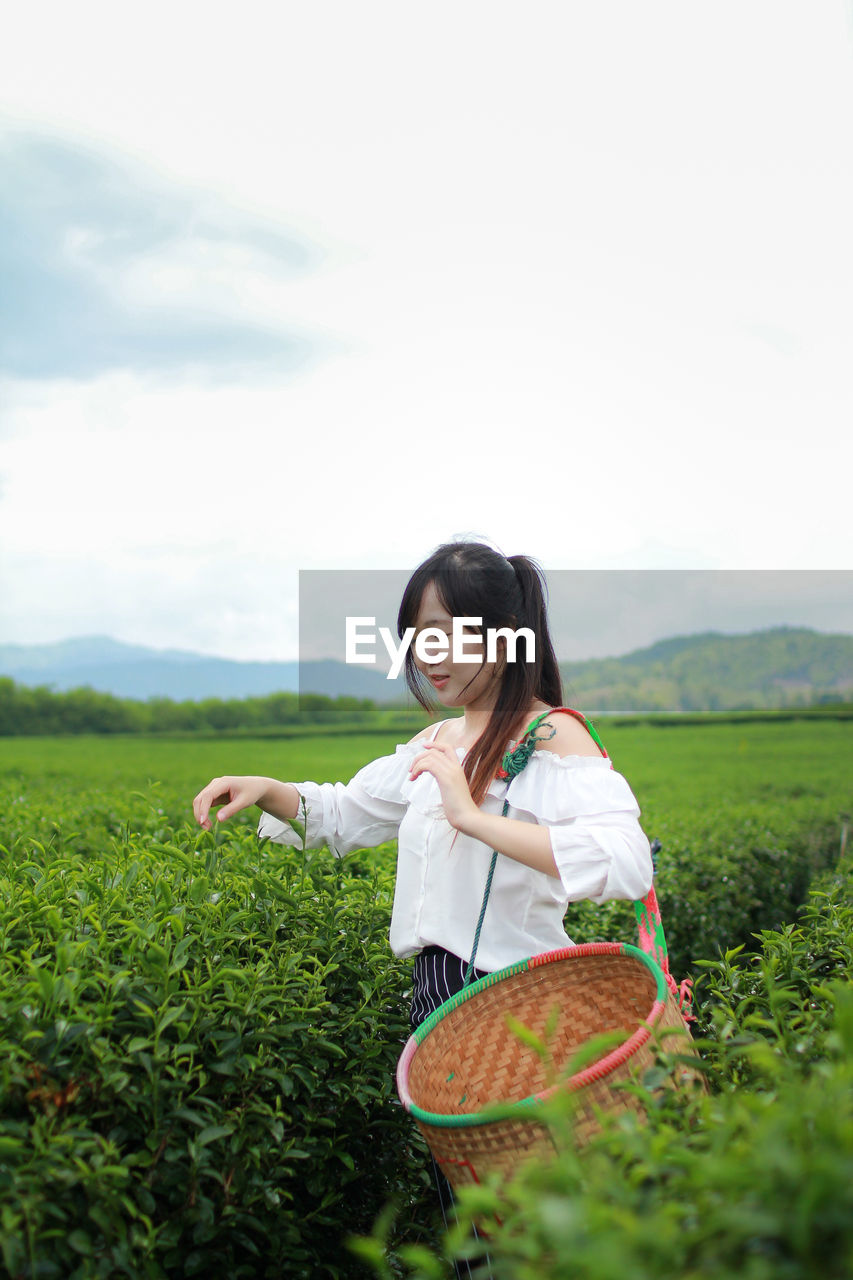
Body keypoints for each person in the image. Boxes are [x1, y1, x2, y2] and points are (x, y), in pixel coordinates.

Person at [192, 539, 654, 1276]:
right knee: (469, 1220)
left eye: (445, 633)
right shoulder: (435, 740)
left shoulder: (548, 735)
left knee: (534, 1225)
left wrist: (473, 816)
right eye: (416, 636)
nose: (426, 654)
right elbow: (341, 812)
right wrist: (264, 786)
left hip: (517, 1006)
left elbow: (625, 861)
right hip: (436, 1004)